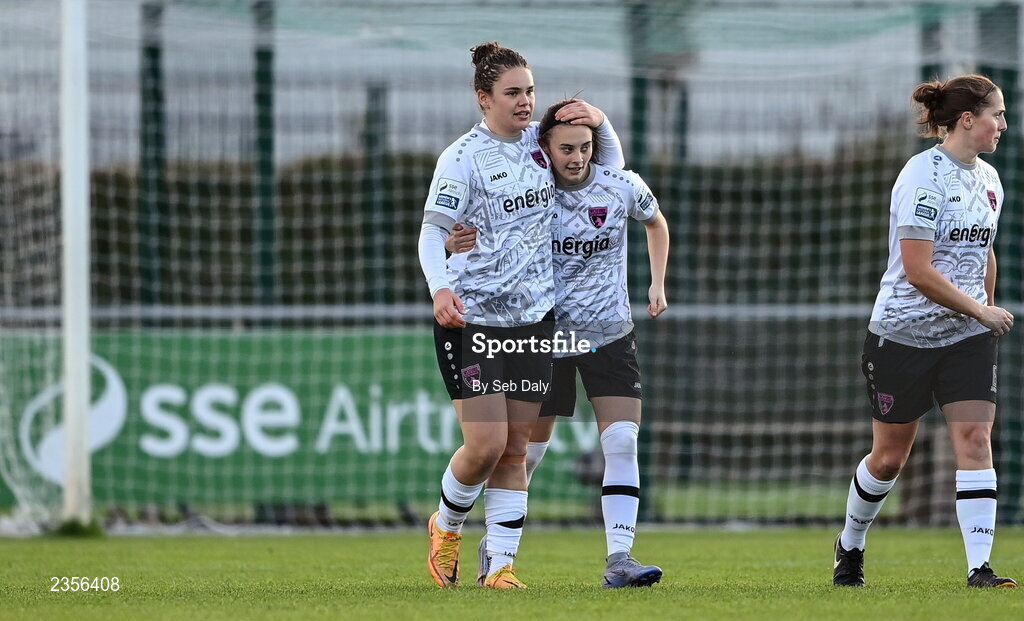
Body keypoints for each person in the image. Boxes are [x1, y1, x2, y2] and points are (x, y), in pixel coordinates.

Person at [419, 42, 623, 590]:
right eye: (512, 92)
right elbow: (433, 232)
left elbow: (609, 168)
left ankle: (501, 566)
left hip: (535, 319)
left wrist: (600, 120)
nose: (525, 101)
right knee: (485, 445)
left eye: (530, 91)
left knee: (516, 448)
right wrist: (441, 288)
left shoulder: (541, 145)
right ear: (483, 98)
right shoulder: (461, 158)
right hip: (473, 320)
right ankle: (447, 525)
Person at [447, 99, 669, 588]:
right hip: (550, 332)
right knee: (525, 452)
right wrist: (451, 248)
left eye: (585, 148)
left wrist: (657, 284)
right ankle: (494, 548)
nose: (576, 157)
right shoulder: (535, 190)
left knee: (622, 440)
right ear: (545, 150)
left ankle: (620, 559)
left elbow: (656, 222)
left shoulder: (619, 184)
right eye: (566, 148)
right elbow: (486, 224)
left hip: (611, 333)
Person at [833, 74, 1016, 588]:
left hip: (965, 338)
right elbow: (918, 270)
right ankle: (850, 543)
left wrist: (985, 307)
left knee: (975, 439)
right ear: (967, 119)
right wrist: (981, 311)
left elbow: (985, 251)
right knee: (889, 458)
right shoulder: (921, 176)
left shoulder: (990, 179)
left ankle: (980, 567)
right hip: (902, 334)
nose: (1003, 123)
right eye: (997, 114)